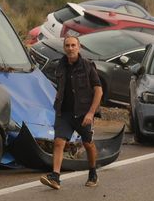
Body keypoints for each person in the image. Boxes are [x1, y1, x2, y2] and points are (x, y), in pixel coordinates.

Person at [38, 32, 104, 190]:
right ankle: (55, 177)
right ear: (64, 48)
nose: (70, 48)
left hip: (83, 113)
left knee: (88, 144)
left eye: (73, 45)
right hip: (64, 113)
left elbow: (98, 91)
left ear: (79, 47)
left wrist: (90, 113)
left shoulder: (88, 66)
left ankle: (93, 172)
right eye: (67, 45)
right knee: (59, 142)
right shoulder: (59, 65)